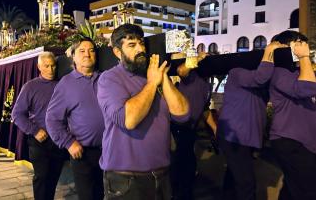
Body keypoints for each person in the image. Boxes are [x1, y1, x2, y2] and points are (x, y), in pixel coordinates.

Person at [97, 24, 190, 200]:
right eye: (132, 45)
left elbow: (183, 114)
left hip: (162, 174)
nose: (140, 49)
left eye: (141, 43)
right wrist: (152, 84)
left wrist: (163, 79)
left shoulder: (153, 76)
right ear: (117, 52)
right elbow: (129, 120)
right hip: (126, 179)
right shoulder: (109, 79)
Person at [217, 40, 284, 200]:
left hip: (242, 137)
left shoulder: (256, 80)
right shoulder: (237, 72)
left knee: (234, 177)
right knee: (246, 183)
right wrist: (270, 50)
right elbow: (260, 77)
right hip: (234, 138)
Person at [46, 37, 104, 200]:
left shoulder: (105, 79)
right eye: (82, 50)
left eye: (92, 50)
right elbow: (52, 119)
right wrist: (68, 143)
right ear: (73, 56)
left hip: (110, 151)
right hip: (83, 155)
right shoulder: (66, 84)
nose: (87, 54)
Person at [12, 52, 67, 200]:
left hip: (59, 140)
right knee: (41, 178)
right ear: (39, 67)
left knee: (53, 178)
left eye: (53, 65)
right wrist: (35, 131)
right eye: (46, 66)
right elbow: (17, 114)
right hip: (39, 141)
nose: (51, 69)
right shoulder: (30, 87)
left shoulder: (63, 84)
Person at [269, 30, 316, 200]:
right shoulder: (279, 72)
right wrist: (304, 58)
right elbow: (307, 88)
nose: (304, 48)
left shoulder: (300, 73)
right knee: (308, 191)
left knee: (292, 189)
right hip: (291, 141)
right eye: (299, 44)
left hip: (304, 142)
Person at [170, 53, 212, 200]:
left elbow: (205, 110)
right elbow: (181, 70)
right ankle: (178, 193)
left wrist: (215, 128)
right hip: (178, 125)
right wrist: (199, 58)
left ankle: (184, 192)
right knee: (181, 161)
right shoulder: (191, 77)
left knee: (187, 161)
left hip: (190, 128)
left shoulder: (207, 84)